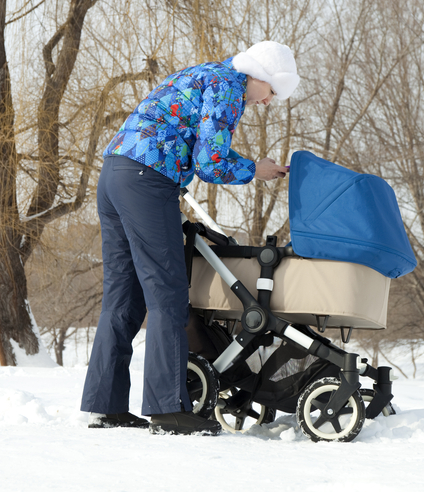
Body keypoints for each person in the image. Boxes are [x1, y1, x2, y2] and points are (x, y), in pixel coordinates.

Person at [80, 40, 299, 435]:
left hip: (114, 173)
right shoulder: (230, 87)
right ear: (261, 77)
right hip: (148, 180)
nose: (268, 102)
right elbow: (210, 161)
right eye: (273, 92)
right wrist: (255, 169)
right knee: (167, 292)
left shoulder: (202, 73)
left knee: (122, 296)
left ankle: (105, 405)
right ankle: (167, 409)